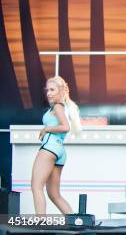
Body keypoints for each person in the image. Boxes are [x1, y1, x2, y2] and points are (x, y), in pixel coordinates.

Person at [31, 76, 81, 215]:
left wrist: (46, 129)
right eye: (47, 90)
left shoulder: (58, 106)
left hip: (49, 148)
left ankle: (41, 225)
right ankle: (75, 223)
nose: (48, 93)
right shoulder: (64, 107)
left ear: (61, 91)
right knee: (54, 195)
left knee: (36, 187)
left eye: (52, 89)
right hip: (59, 151)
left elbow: (65, 127)